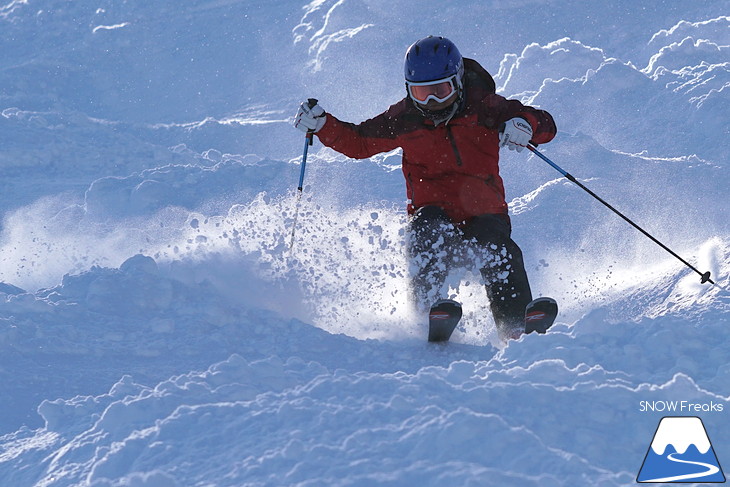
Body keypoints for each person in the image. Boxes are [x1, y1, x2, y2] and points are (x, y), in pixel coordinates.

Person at [293, 36, 557, 341]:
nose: (431, 102)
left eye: (441, 91)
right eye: (421, 93)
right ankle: (427, 315)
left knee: (499, 249)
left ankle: (514, 324)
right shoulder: (406, 117)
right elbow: (360, 142)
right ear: (409, 90)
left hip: (484, 212)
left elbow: (546, 124)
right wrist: (323, 125)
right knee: (426, 232)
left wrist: (524, 123)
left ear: (457, 82)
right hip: (432, 211)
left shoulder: (485, 107)